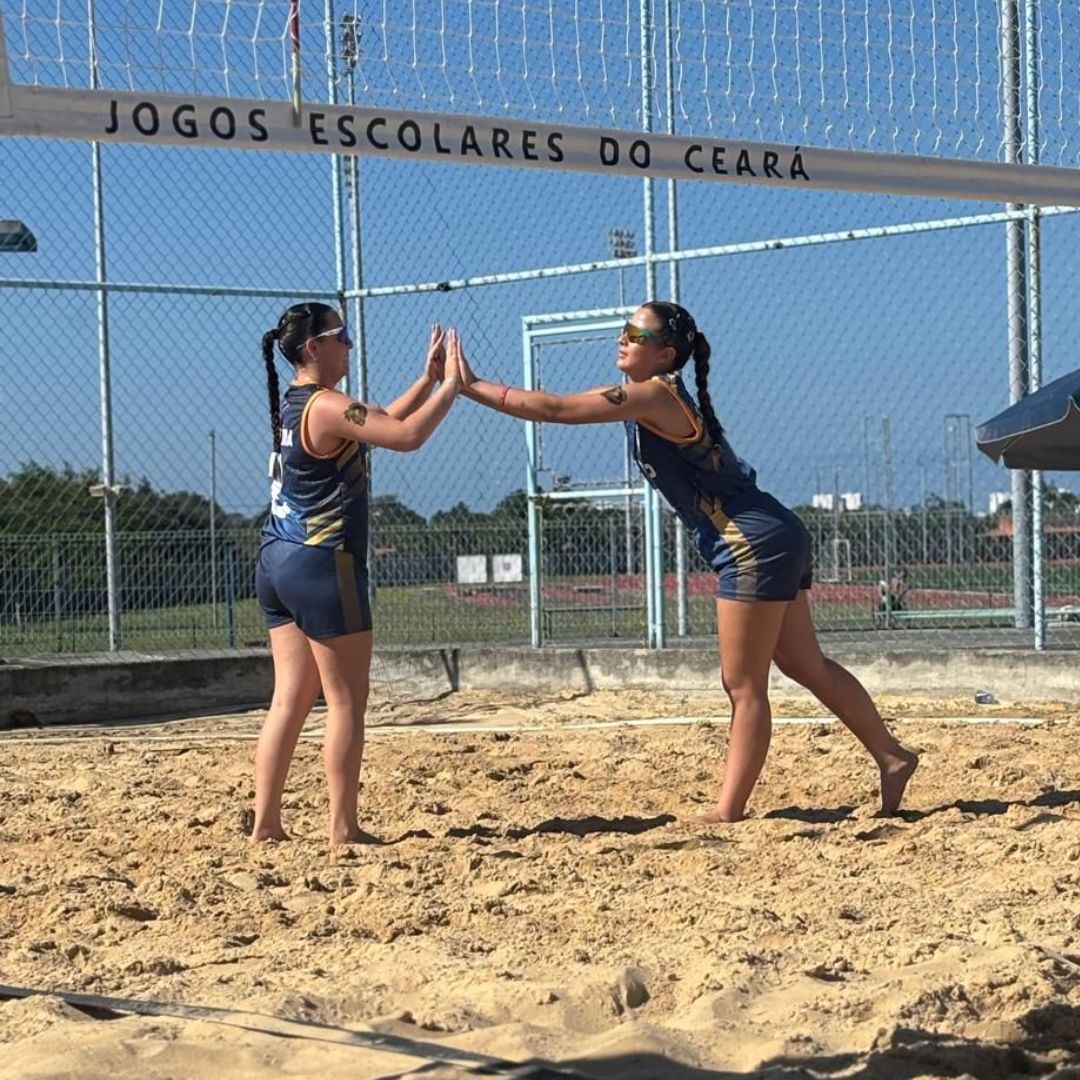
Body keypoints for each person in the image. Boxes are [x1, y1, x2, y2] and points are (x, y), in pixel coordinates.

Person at [448, 303, 918, 822]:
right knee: (805, 665)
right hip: (772, 531)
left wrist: (471, 386)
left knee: (743, 685)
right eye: (624, 329)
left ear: (665, 354)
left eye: (635, 333)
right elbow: (561, 407)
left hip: (753, 543)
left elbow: (556, 410)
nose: (622, 338)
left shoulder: (654, 395)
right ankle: (891, 756)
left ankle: (728, 810)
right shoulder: (650, 396)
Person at [252, 302, 462, 843]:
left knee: (288, 699)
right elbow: (407, 436)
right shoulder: (327, 404)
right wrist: (453, 388)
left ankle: (266, 823)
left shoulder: (297, 402)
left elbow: (380, 421)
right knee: (346, 701)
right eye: (341, 335)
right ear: (314, 346)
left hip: (277, 560)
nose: (350, 344)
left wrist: (426, 381)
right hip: (324, 564)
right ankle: (343, 827)